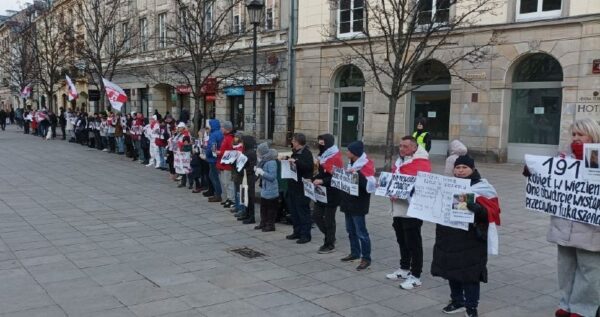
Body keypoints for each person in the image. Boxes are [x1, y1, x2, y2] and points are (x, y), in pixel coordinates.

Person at [524, 118, 600, 317]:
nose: (576, 138)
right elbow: (550, 180)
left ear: (592, 135)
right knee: (565, 269)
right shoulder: (562, 158)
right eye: (573, 134)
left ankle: (583, 309)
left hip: (591, 229)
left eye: (581, 134)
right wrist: (533, 172)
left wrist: (586, 159)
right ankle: (566, 304)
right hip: (564, 226)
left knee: (589, 271)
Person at [431, 155, 501, 317]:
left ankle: (471, 307)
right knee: (452, 271)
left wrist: (479, 209)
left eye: (464, 167)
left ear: (473, 169)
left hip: (471, 239)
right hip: (449, 236)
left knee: (470, 275)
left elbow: (493, 212)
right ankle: (457, 301)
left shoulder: (483, 187)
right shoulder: (447, 186)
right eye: (457, 167)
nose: (461, 171)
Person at [386, 136, 432, 289]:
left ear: (414, 147)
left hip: (412, 210)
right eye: (400, 146)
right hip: (398, 208)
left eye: (405, 146)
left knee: (414, 243)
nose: (401, 149)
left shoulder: (422, 163)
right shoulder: (400, 161)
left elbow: (423, 186)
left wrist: (401, 192)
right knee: (401, 240)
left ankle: (416, 275)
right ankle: (404, 268)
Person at [339, 141, 376, 271]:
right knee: (350, 230)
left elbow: (369, 186)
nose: (346, 152)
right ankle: (354, 252)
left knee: (362, 233)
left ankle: (366, 258)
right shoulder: (351, 164)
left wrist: (356, 175)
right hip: (348, 203)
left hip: (358, 204)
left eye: (348, 151)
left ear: (354, 154)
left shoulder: (365, 166)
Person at [312, 133, 344, 254]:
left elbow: (337, 177)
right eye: (319, 144)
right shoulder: (322, 155)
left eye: (322, 144)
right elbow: (320, 172)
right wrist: (312, 178)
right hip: (321, 191)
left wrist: (322, 180)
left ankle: (329, 243)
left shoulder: (336, 158)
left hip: (333, 192)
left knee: (329, 219)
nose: (320, 146)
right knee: (316, 215)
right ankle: (330, 236)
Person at [285, 133, 314, 244]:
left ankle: (305, 235)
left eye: (293, 140)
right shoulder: (295, 152)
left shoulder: (306, 153)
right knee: (294, 210)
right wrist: (288, 159)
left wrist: (296, 162)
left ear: (297, 142)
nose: (292, 142)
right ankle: (296, 231)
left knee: (303, 211)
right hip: (293, 186)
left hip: (302, 187)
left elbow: (308, 167)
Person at [254, 143, 279, 231]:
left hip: (271, 189)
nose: (257, 153)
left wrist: (262, 173)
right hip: (265, 188)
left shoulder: (271, 162)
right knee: (263, 207)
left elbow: (272, 177)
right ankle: (263, 223)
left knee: (270, 209)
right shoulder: (263, 160)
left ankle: (270, 225)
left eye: (258, 151)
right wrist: (257, 171)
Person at [236, 135, 257, 224]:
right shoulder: (246, 152)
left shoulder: (251, 153)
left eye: (243, 142)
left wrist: (242, 169)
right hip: (244, 176)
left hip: (249, 177)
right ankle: (247, 213)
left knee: (250, 197)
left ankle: (251, 216)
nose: (242, 144)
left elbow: (251, 167)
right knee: (245, 196)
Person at [216, 121, 235, 208]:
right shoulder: (226, 137)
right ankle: (228, 198)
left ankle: (232, 199)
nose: (221, 129)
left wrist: (220, 152)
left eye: (222, 128)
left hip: (227, 164)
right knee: (225, 183)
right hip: (223, 163)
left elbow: (231, 152)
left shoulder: (230, 138)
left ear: (227, 129)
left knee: (228, 183)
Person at [204, 119, 223, 203]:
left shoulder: (214, 135)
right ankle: (217, 193)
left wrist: (207, 155)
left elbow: (212, 147)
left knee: (213, 176)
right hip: (217, 157)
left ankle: (218, 194)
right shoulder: (220, 133)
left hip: (213, 159)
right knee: (214, 176)